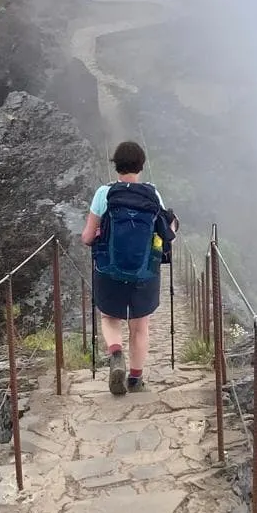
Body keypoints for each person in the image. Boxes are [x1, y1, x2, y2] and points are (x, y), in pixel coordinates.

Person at [81, 140, 178, 395]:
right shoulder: (152, 194)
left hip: (108, 269)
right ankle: (135, 380)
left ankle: (115, 354)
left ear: (116, 165)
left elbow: (87, 237)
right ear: (141, 166)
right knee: (140, 325)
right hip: (144, 270)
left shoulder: (104, 194)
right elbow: (168, 234)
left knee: (109, 317)